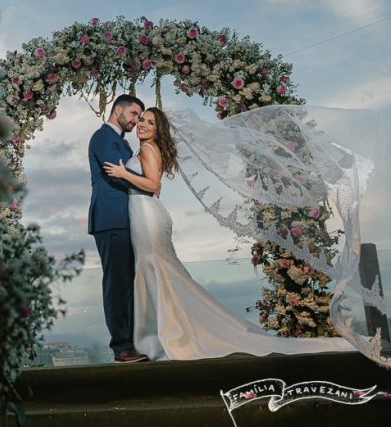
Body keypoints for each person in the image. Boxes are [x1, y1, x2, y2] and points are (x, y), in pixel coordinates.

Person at [104, 107, 354, 361]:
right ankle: (166, 332)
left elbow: (153, 185)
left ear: (158, 130)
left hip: (146, 215)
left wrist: (123, 173)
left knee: (153, 268)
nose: (142, 125)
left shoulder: (148, 149)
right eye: (142, 121)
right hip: (143, 212)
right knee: (155, 269)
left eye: (150, 123)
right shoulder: (145, 149)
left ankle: (166, 337)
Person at [87, 94, 150, 363]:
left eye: (139, 117)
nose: (136, 121)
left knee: (129, 283)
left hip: (129, 218)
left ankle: (134, 342)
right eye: (134, 114)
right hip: (111, 218)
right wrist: (149, 181)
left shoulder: (123, 144)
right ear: (118, 110)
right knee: (116, 283)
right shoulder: (103, 137)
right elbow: (117, 173)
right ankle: (121, 348)